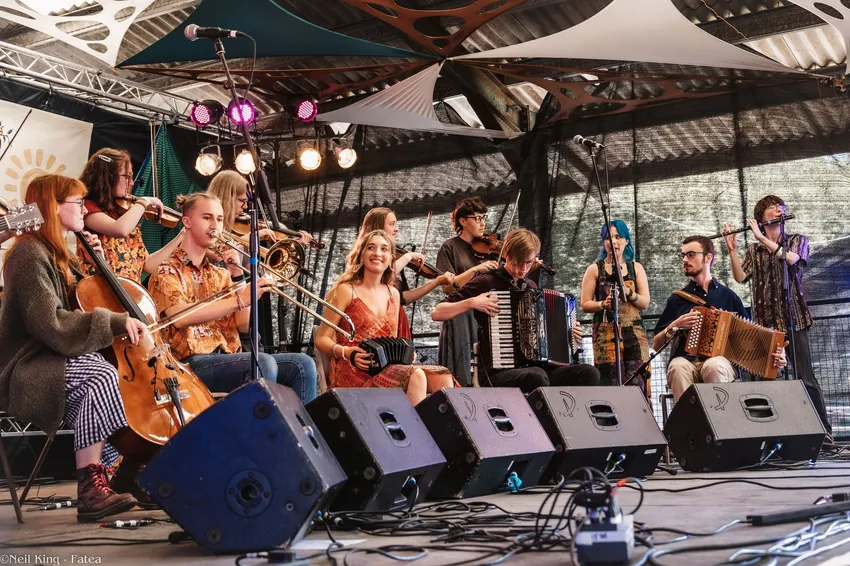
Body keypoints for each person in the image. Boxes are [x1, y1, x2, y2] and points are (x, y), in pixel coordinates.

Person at [0, 174, 150, 521]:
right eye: (78, 203)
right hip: (26, 366)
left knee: (114, 375)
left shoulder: (55, 255)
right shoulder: (28, 254)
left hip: (51, 358)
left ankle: (124, 470)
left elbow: (78, 305)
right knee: (98, 375)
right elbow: (51, 323)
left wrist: (92, 265)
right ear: (52, 207)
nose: (85, 209)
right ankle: (90, 487)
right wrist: (114, 322)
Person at [147, 193, 317, 404]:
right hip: (187, 364)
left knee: (302, 364)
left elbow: (243, 325)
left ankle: (298, 426)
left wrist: (238, 275)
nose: (215, 225)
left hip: (226, 356)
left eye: (219, 219)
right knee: (263, 363)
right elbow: (180, 318)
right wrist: (239, 299)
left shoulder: (221, 274)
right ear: (187, 222)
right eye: (207, 217)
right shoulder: (166, 270)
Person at [432, 228, 600, 393]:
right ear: (506, 253)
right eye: (518, 262)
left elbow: (547, 334)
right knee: (537, 377)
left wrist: (569, 334)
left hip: (537, 369)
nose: (523, 268)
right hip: (498, 372)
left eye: (529, 263)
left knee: (589, 373)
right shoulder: (486, 282)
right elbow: (437, 312)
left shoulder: (531, 287)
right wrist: (473, 302)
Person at [723, 196, 832, 436]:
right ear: (761, 216)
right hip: (765, 325)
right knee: (764, 379)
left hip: (794, 320)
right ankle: (768, 435)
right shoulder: (754, 250)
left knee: (804, 376)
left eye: (781, 207)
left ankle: (823, 433)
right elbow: (740, 277)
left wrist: (762, 237)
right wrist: (732, 250)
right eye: (773, 207)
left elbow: (791, 259)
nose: (779, 209)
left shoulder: (797, 240)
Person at [315, 230, 456, 406]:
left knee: (443, 376)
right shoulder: (345, 290)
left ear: (390, 259)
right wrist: (347, 352)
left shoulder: (393, 294)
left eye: (384, 249)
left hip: (386, 368)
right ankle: (413, 424)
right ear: (361, 255)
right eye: (371, 248)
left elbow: (392, 340)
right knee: (416, 375)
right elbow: (321, 338)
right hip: (353, 367)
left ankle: (429, 424)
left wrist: (405, 356)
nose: (377, 253)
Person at [654, 235, 786, 401]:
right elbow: (656, 344)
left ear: (708, 257)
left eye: (691, 255)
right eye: (683, 255)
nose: (685, 260)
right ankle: (688, 418)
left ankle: (719, 417)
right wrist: (675, 325)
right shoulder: (677, 299)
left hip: (719, 363)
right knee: (677, 366)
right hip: (686, 362)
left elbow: (752, 335)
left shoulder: (728, 296)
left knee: (714, 365)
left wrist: (776, 354)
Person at [77, 148, 182, 283]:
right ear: (107, 176)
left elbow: (148, 265)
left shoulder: (126, 213)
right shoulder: (87, 208)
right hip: (100, 288)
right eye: (126, 177)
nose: (131, 183)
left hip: (129, 291)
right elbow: (119, 229)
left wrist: (181, 236)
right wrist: (144, 201)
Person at [358, 207, 456, 336]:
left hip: (397, 318)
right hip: (375, 319)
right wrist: (408, 257)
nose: (397, 229)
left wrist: (436, 282)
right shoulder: (366, 257)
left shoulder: (394, 258)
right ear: (378, 227)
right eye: (392, 224)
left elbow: (404, 298)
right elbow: (383, 273)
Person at [580, 220, 651, 393]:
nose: (613, 241)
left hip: (634, 333)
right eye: (608, 238)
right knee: (609, 381)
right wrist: (602, 304)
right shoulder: (594, 269)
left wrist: (629, 293)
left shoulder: (636, 268)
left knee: (638, 380)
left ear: (626, 240)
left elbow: (645, 302)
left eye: (618, 237)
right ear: (604, 242)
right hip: (606, 333)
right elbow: (585, 304)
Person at [435, 197, 500, 385]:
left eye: (484, 218)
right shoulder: (450, 247)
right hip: (460, 314)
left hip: (485, 314)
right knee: (462, 369)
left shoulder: (488, 249)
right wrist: (475, 269)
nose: (483, 223)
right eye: (477, 218)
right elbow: (448, 287)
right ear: (463, 221)